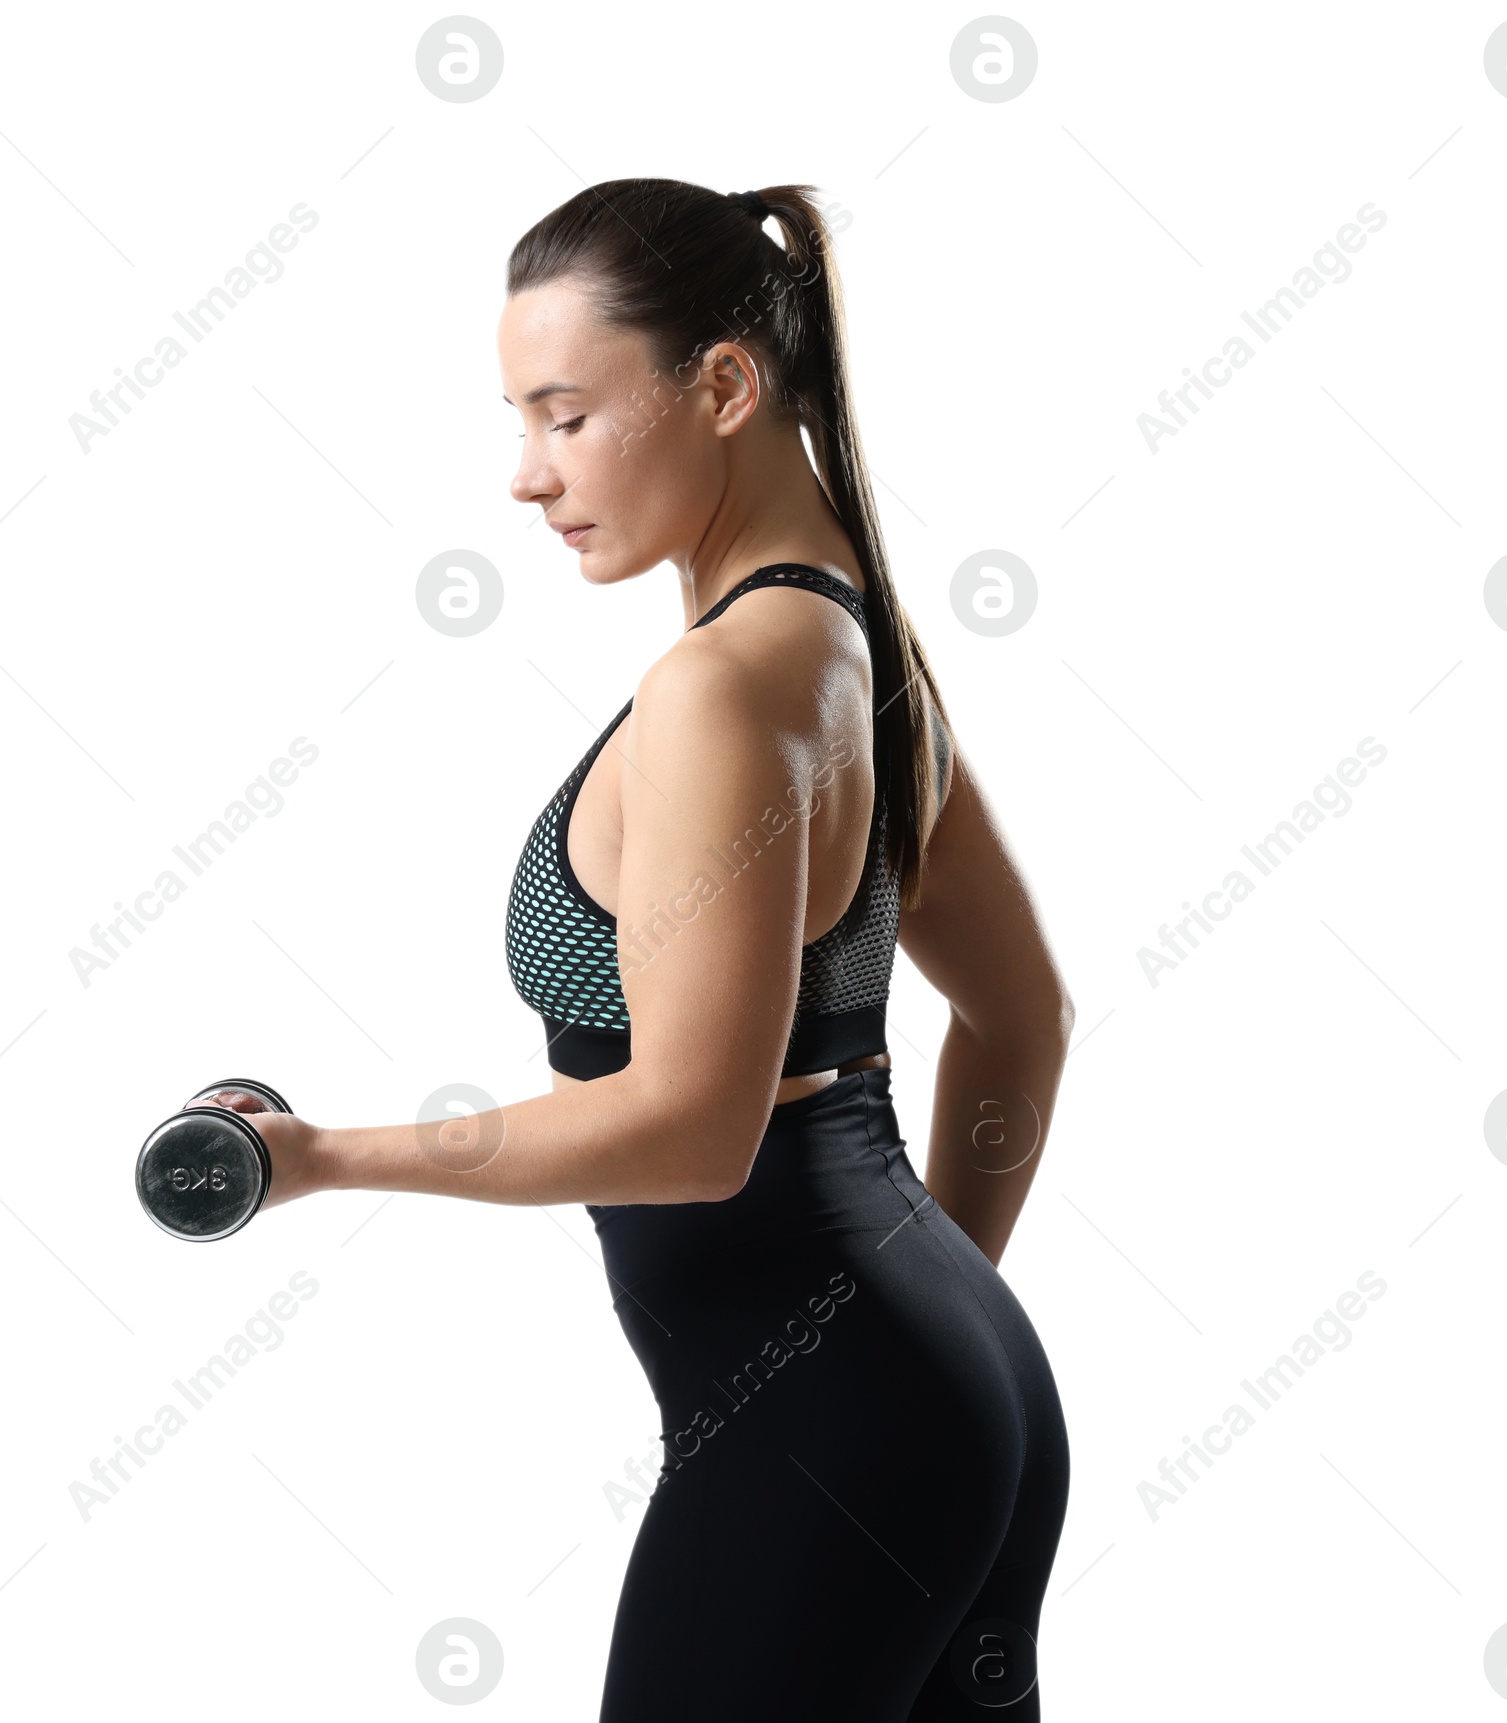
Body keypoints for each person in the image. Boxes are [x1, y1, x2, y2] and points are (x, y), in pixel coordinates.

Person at [225, 179, 1074, 1720]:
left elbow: (692, 1127)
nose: (524, 478)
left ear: (726, 386)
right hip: (958, 1394)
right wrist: (917, 1327)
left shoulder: (720, 691)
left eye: (563, 417)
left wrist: (319, 1159)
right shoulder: (855, 647)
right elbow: (1025, 1016)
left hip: (838, 1436)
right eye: (517, 421)